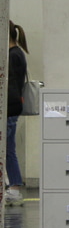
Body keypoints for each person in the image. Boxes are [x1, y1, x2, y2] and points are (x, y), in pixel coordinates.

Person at [5, 22, 28, 204]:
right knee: (7, 148)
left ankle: (14, 186)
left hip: (10, 108)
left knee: (8, 149)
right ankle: (12, 184)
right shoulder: (16, 53)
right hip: (12, 107)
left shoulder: (13, 56)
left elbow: (10, 86)